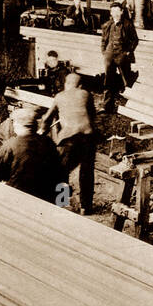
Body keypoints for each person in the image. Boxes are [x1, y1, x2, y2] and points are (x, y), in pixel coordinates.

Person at [40, 72, 99, 215]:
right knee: (87, 172)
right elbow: (92, 116)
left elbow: (47, 119)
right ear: (80, 85)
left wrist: (42, 131)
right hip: (88, 137)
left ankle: (62, 201)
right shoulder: (86, 94)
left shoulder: (59, 96)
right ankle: (86, 207)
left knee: (61, 171)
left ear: (66, 84)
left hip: (70, 138)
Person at [0, 108, 65, 203]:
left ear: (17, 125)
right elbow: (60, 172)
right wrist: (62, 202)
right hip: (46, 198)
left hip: (18, 198)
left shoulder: (10, 145)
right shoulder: (48, 143)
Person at [100, 2, 138, 98]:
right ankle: (108, 99)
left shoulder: (127, 24)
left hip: (122, 54)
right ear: (111, 13)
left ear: (121, 12)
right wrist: (104, 52)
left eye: (117, 11)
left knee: (126, 78)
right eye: (113, 11)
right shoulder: (107, 25)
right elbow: (104, 40)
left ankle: (126, 98)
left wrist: (128, 51)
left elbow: (135, 40)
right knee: (108, 78)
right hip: (110, 54)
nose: (115, 13)